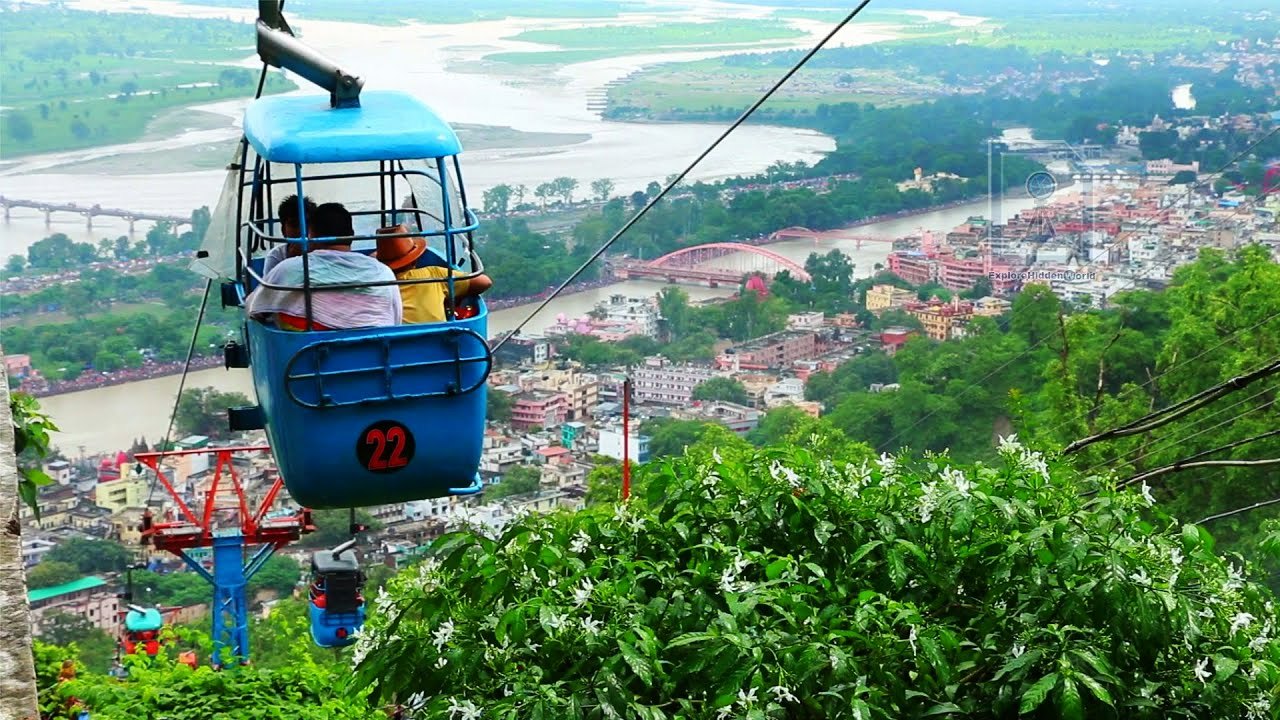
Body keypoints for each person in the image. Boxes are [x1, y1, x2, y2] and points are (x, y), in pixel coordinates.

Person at [246, 203, 402, 330]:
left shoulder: (289, 269)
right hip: (376, 351)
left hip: (305, 352)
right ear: (352, 235)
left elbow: (254, 307)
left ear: (311, 235)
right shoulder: (383, 272)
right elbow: (396, 320)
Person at [374, 224, 492, 323]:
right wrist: (454, 296)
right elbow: (484, 282)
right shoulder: (433, 275)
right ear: (414, 259)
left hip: (393, 342)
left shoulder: (372, 285)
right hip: (439, 340)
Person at [262, 194, 318, 276]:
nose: (301, 230)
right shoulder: (277, 255)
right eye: (294, 224)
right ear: (283, 230)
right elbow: (270, 283)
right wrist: (291, 260)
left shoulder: (322, 251)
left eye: (307, 224)